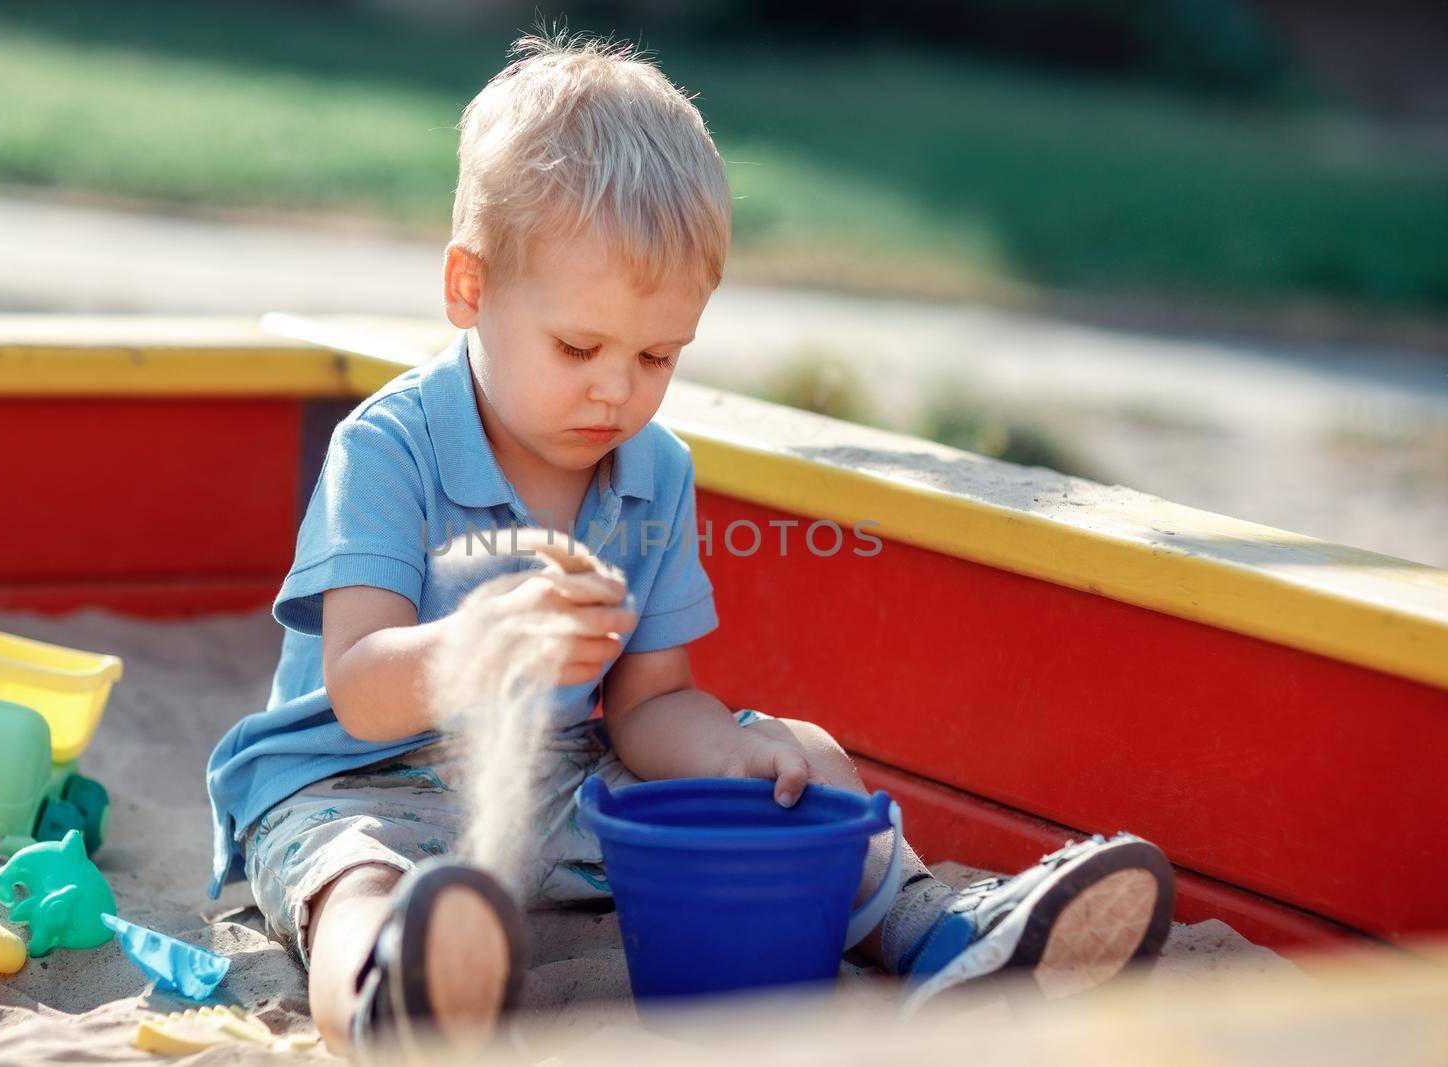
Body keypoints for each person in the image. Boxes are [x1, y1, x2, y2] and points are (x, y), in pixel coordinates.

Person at [205, 32, 1175, 1059]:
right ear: (468, 288)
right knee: (356, 877)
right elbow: (357, 685)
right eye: (579, 347)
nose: (617, 388)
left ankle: (938, 938)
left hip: (564, 786)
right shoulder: (390, 445)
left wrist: (728, 751)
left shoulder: (650, 468)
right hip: (361, 783)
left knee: (807, 753)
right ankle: (391, 992)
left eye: (659, 354)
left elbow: (647, 702)